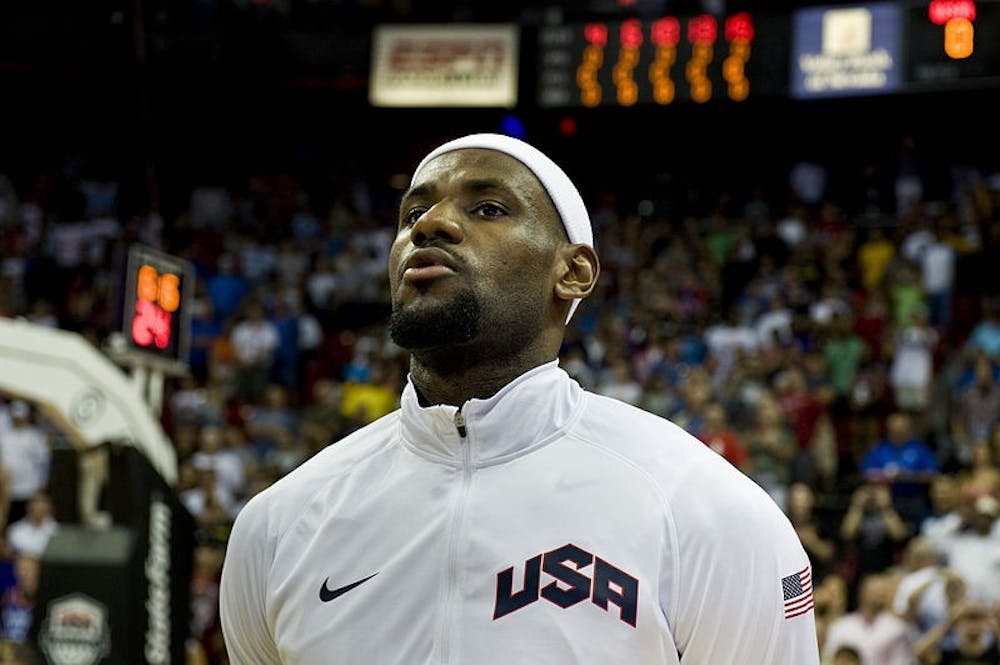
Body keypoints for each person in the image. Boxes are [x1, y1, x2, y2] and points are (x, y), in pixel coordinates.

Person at [218, 132, 821, 663]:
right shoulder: (277, 525)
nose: (429, 225)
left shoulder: (706, 509)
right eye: (413, 214)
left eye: (487, 208)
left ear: (574, 273)